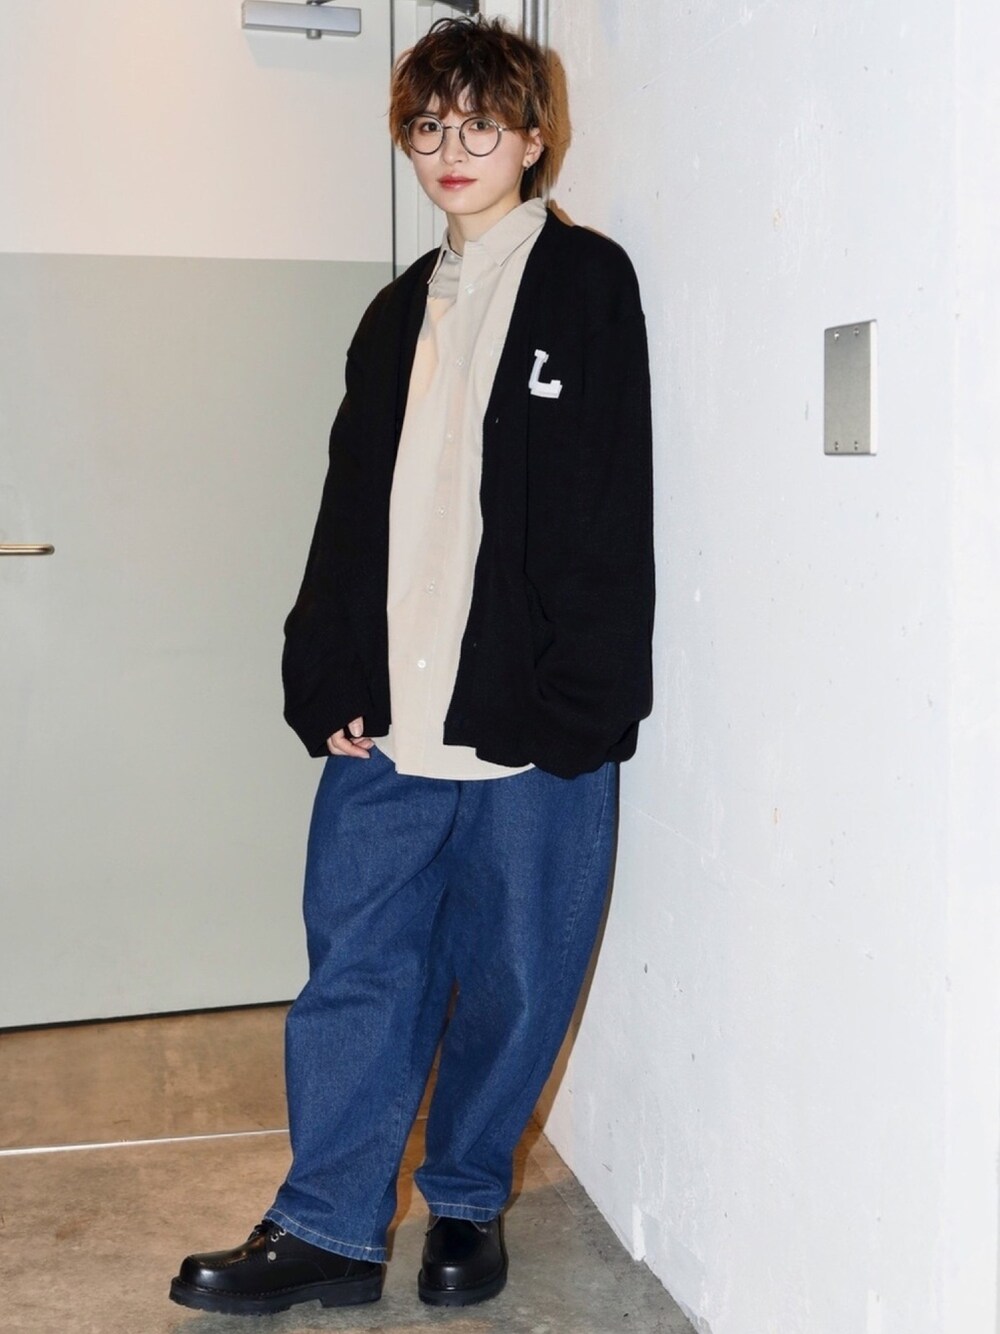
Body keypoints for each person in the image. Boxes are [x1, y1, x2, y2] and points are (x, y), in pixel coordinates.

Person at [169, 15, 653, 1317]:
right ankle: (328, 1226)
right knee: (356, 971)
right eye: (431, 126)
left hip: (531, 718)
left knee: (515, 978)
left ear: (533, 138)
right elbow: (349, 512)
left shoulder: (585, 285)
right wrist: (323, 674)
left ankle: (467, 1200)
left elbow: (609, 503)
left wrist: (583, 703)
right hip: (389, 720)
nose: (452, 148)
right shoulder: (395, 313)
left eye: (480, 123)